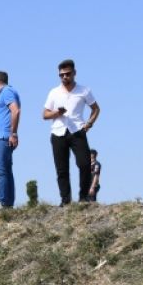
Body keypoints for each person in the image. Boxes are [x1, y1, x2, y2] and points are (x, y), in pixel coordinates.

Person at [43, 59, 100, 205]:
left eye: (67, 74)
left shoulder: (84, 90)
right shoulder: (54, 92)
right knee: (62, 169)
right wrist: (57, 112)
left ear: (74, 73)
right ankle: (65, 200)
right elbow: (45, 114)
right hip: (58, 132)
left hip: (77, 131)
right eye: (61, 75)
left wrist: (89, 124)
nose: (64, 77)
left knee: (85, 164)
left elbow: (96, 109)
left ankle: (83, 197)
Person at [0, 71, 21, 210]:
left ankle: (2, 201)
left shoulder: (6, 92)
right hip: (0, 138)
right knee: (6, 170)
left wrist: (13, 133)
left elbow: (16, 110)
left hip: (3, 136)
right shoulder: (8, 92)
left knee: (1, 170)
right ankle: (8, 203)